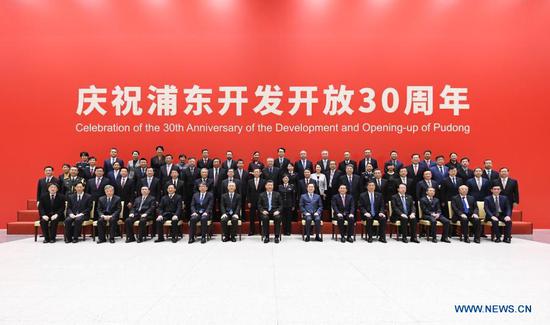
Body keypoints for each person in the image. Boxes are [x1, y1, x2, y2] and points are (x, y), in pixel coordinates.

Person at [246, 168, 265, 235]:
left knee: (261, 217)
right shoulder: (249, 181)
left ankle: (261, 231)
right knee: (252, 217)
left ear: (260, 173)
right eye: (255, 172)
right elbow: (248, 192)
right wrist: (248, 201)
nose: (256, 173)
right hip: (252, 201)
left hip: (261, 202)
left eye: (257, 172)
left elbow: (264, 192)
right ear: (253, 173)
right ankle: (252, 231)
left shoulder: (263, 181)